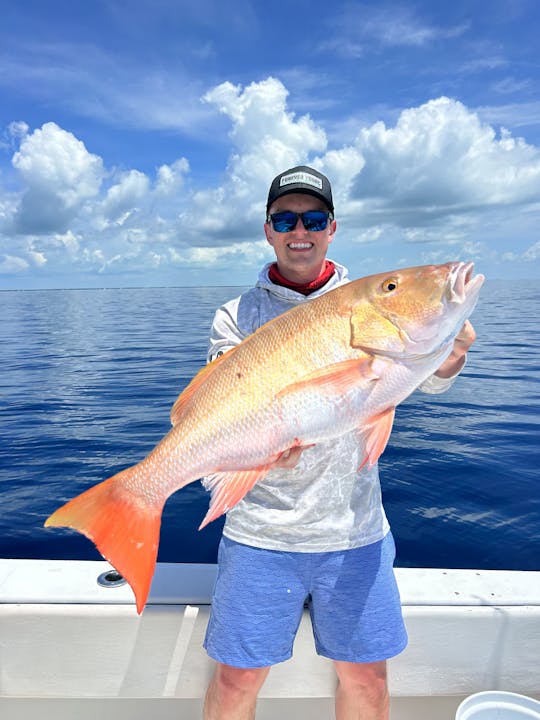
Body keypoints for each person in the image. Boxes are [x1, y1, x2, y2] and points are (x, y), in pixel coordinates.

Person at [202, 166, 477, 720]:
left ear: (332, 227)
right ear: (268, 230)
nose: (298, 229)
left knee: (368, 683)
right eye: (285, 218)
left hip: (356, 532)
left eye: (313, 218)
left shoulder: (364, 305)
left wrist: (450, 354)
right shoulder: (236, 317)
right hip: (261, 533)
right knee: (235, 684)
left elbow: (419, 376)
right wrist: (262, 448)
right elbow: (219, 409)